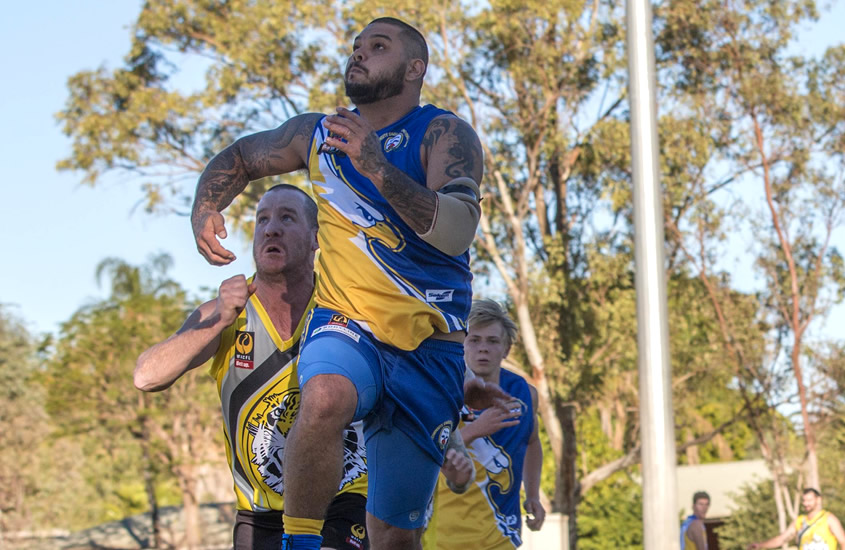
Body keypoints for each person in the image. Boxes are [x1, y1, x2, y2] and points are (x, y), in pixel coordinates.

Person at [189, 16, 504, 550]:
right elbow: (243, 156)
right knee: (326, 394)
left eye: (376, 47)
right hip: (346, 322)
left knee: (394, 537)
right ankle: (300, 543)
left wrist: (377, 167)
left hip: (429, 349)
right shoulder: (317, 135)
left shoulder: (444, 133)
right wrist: (205, 204)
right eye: (356, 46)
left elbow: (456, 231)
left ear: (414, 68)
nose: (358, 54)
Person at [135, 185, 369, 550]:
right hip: (260, 515)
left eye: (287, 218)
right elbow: (146, 376)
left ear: (315, 238)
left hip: (343, 501)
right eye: (263, 220)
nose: (271, 228)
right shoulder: (226, 312)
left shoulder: (346, 307)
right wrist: (217, 321)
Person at [424, 299, 545, 550]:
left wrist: (533, 494)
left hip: (501, 535)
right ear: (461, 345)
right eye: (474, 340)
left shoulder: (524, 394)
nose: (483, 349)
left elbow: (532, 441)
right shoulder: (440, 392)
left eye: (492, 341)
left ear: (507, 349)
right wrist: (474, 431)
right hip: (446, 536)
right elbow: (422, 454)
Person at [748, 488, 845, 550]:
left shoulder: (829, 518)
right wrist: (761, 545)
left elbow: (844, 542)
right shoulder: (800, 521)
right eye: (804, 500)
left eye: (809, 500)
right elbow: (782, 539)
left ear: (818, 499)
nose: (806, 503)